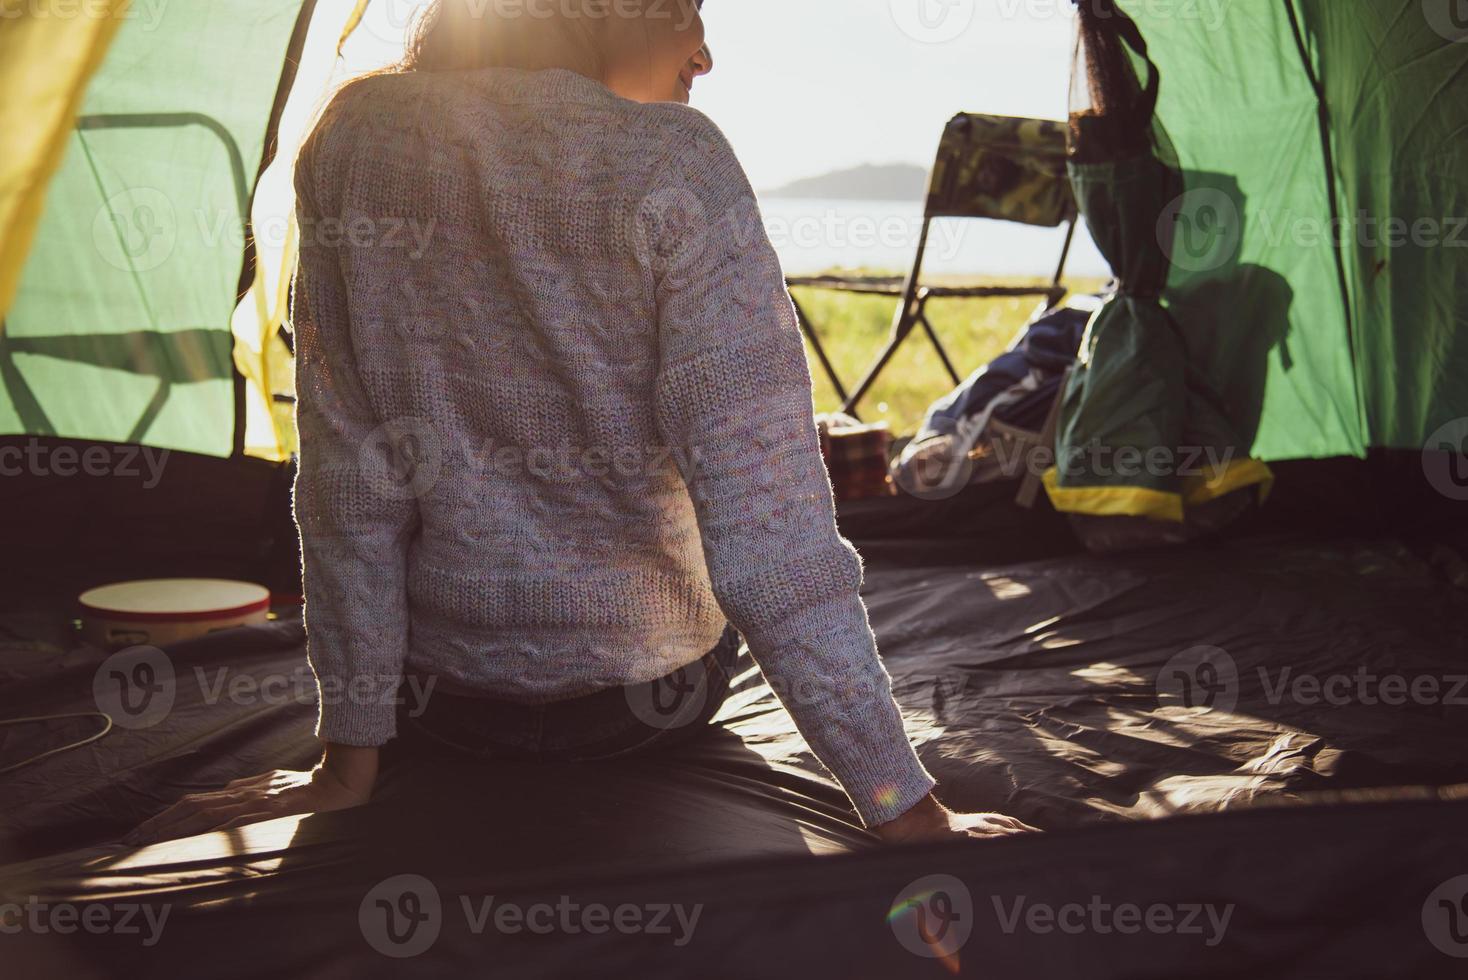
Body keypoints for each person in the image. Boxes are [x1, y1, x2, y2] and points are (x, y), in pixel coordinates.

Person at [126, 0, 1037, 847]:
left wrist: (348, 762)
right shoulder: (675, 164)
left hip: (437, 705)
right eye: (688, 6)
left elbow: (347, 490)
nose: (705, 52)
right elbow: (770, 533)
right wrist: (903, 808)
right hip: (644, 706)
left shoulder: (356, 140)